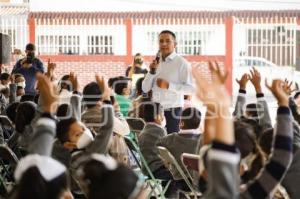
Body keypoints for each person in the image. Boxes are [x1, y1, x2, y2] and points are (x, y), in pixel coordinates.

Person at [142, 30, 194, 134]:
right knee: (155, 144)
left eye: (167, 41)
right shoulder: (156, 62)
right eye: (161, 41)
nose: (164, 44)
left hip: (173, 111)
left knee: (170, 146)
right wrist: (152, 72)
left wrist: (169, 85)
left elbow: (190, 89)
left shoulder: (182, 63)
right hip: (155, 110)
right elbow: (144, 89)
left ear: (175, 44)